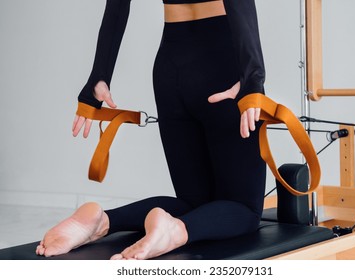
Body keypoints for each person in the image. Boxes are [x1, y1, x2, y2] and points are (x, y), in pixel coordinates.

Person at [36, 0, 267, 260]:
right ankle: (173, 230)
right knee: (244, 210)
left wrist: (99, 77)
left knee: (194, 205)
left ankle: (103, 221)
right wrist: (253, 77)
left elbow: (117, 5)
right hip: (222, 68)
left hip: (170, 67)